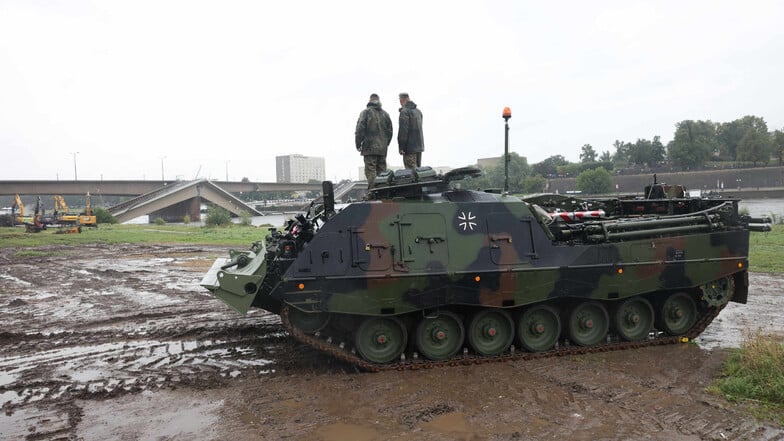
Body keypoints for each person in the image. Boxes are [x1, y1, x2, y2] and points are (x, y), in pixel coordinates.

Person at [355, 93, 393, 188]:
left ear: (370, 101)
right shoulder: (385, 114)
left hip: (369, 147)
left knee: (370, 170)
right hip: (382, 148)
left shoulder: (365, 112)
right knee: (382, 172)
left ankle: (373, 191)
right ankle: (383, 191)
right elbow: (390, 131)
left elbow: (360, 129)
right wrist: (386, 143)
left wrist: (358, 143)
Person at [397, 92, 424, 169]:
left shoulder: (404, 112)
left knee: (411, 173)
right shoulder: (418, 112)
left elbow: (403, 131)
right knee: (418, 172)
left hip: (409, 148)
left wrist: (401, 147)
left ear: (401, 100)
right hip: (419, 146)